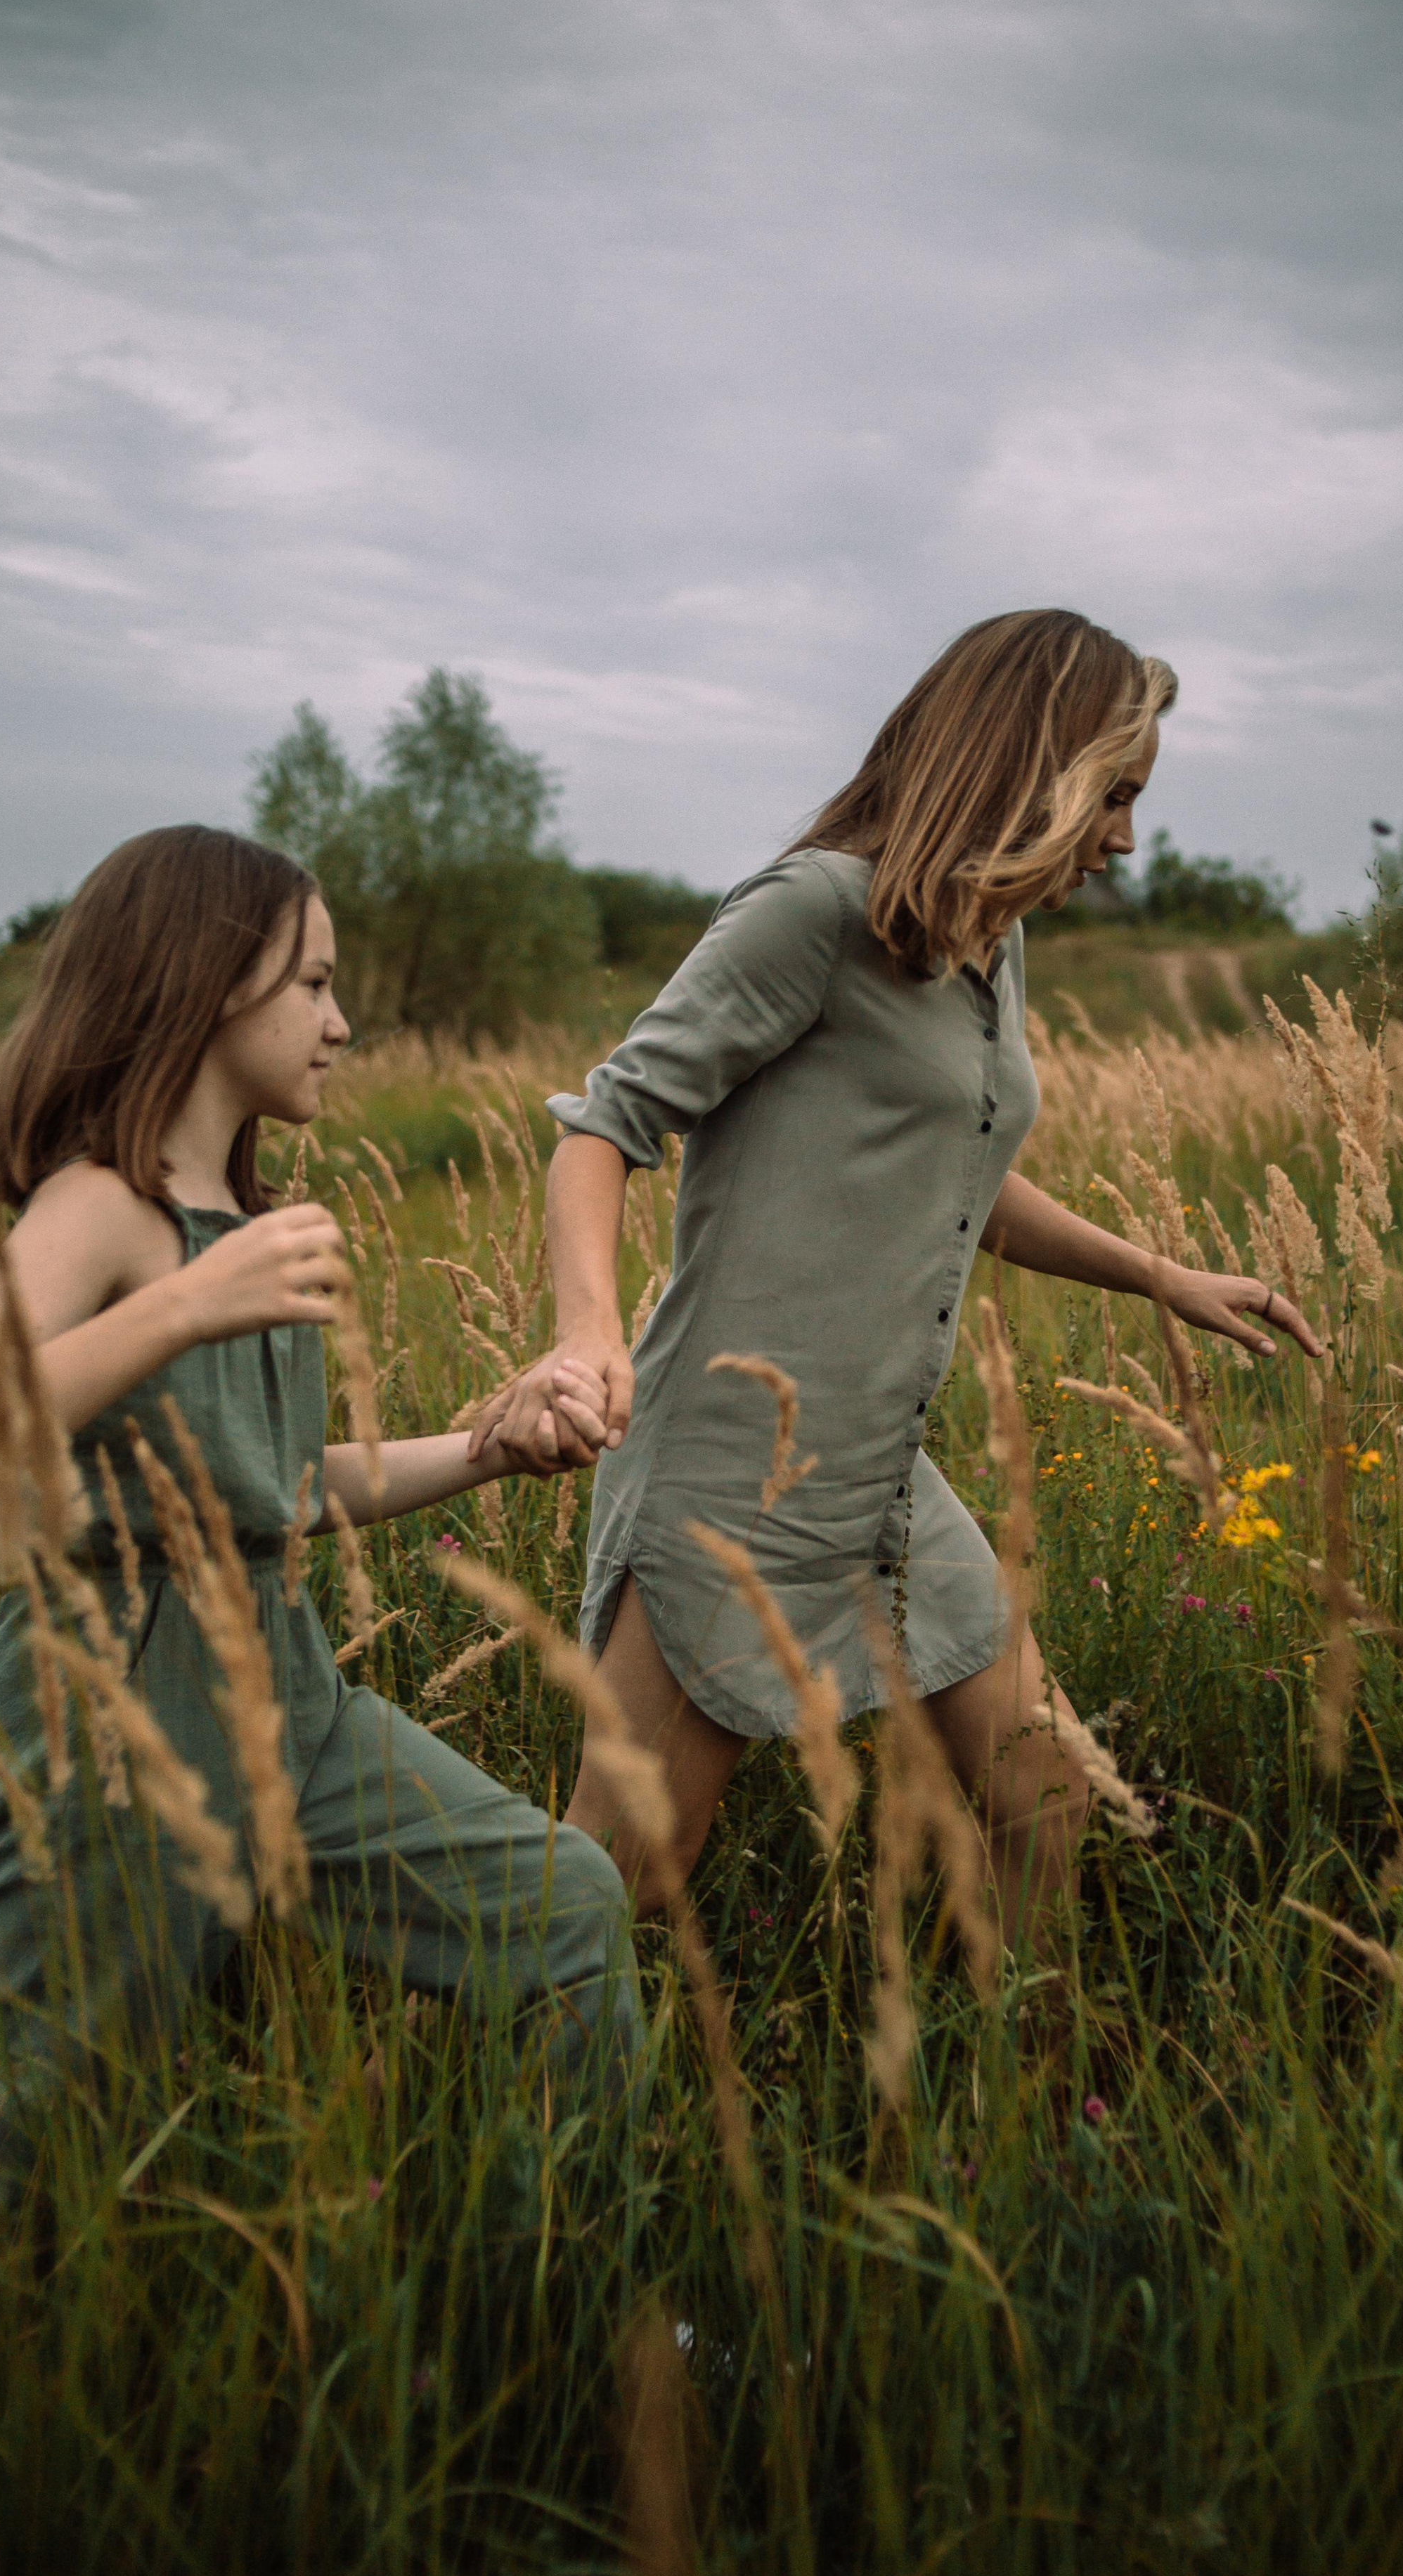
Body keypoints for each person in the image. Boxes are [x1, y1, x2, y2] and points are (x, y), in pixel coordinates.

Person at [487, 609, 1322, 1934]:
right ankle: (499, 2110)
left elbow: (967, 1177)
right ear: (1028, 765)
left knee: (1044, 1792)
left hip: (883, 1471)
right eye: (1113, 797)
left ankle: (1035, 2122)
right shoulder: (816, 912)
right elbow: (606, 1125)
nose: (1123, 838)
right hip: (736, 1465)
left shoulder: (987, 946)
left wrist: (1165, 1276)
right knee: (629, 1869)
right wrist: (589, 1337)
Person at [0, 826, 640, 2200]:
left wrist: (489, 1443)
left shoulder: (247, 1218)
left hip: (288, 1693)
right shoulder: (98, 1207)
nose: (341, 1023)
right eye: (312, 984)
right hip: (114, 1698)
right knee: (67, 2134)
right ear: (206, 982)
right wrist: (181, 1302)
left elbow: (278, 1496)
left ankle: (570, 2297)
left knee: (566, 1907)